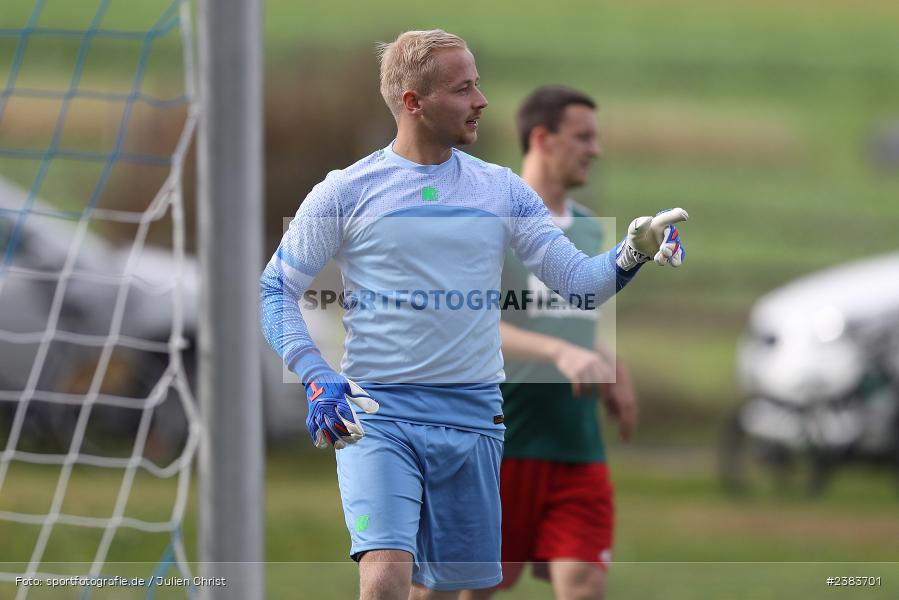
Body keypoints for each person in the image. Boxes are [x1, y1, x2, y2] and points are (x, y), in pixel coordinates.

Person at [260, 30, 688, 600]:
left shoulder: (501, 190)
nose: (482, 101)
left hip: (474, 419)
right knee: (385, 576)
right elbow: (274, 291)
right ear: (413, 102)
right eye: (464, 89)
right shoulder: (344, 191)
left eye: (478, 84)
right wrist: (318, 375)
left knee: (449, 593)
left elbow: (580, 286)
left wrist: (633, 251)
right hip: (376, 414)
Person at [460, 86, 639, 600]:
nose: (595, 150)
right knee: (468, 591)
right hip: (499, 447)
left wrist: (609, 363)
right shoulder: (490, 221)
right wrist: (559, 353)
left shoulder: (588, 230)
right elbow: (472, 324)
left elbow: (577, 321)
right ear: (542, 138)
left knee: (584, 586)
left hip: (576, 448)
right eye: (582, 137)